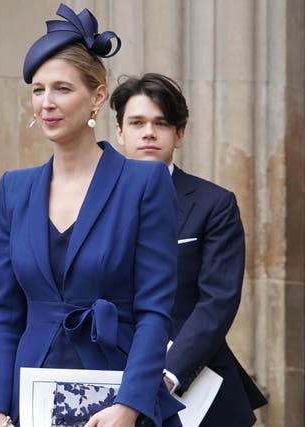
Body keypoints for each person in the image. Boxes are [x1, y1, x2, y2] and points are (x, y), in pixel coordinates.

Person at [0, 5, 183, 427]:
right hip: (30, 398)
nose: (47, 103)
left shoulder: (143, 183)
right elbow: (4, 313)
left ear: (97, 95)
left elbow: (155, 310)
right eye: (38, 90)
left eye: (61, 89)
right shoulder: (14, 189)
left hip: (119, 393)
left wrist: (129, 407)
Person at [110, 72, 268, 426]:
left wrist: (168, 374)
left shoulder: (214, 204)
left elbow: (218, 300)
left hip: (193, 386)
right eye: (137, 122)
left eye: (161, 123)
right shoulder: (87, 201)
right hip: (107, 379)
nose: (148, 132)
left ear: (179, 134)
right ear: (119, 132)